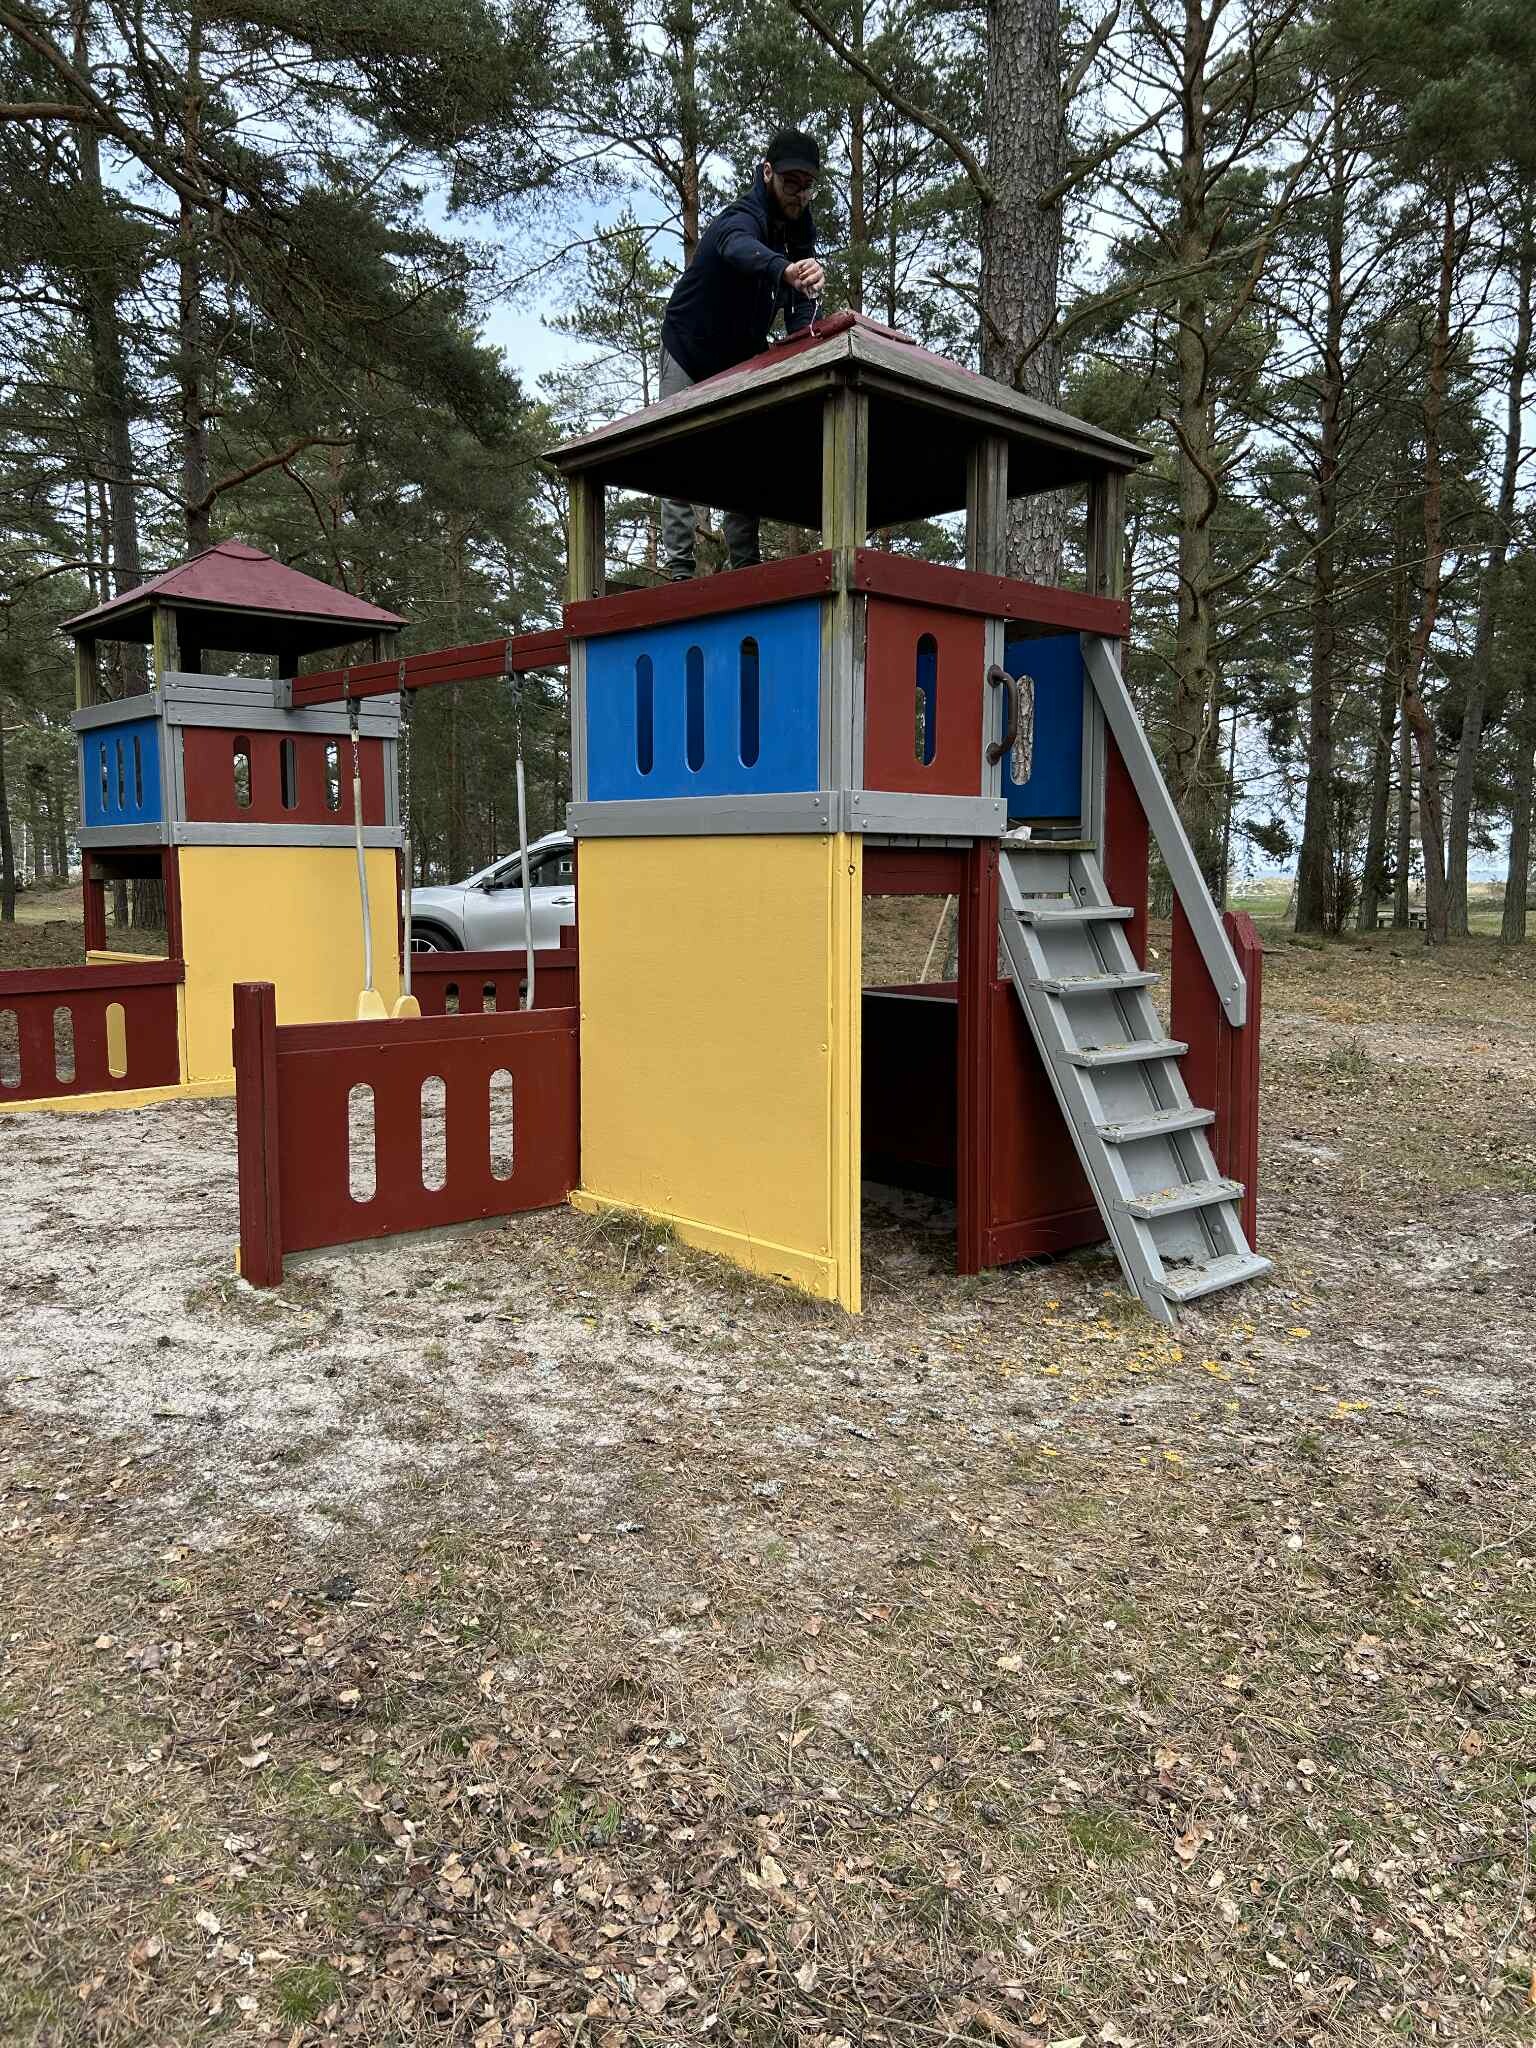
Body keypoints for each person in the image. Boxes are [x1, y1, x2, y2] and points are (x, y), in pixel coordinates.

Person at [658, 129, 828, 580]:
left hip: (740, 356)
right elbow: (737, 248)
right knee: (677, 456)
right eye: (791, 183)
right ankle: (679, 573)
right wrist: (783, 269)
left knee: (744, 459)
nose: (799, 194)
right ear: (768, 173)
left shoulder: (799, 228)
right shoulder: (740, 217)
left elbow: (801, 304)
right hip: (689, 347)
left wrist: (804, 338)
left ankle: (745, 572)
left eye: (808, 185)